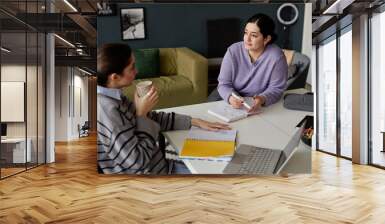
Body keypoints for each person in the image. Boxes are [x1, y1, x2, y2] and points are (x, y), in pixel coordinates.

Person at [97, 43, 230, 175]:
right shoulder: (107, 111)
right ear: (114, 77)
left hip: (160, 167)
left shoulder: (115, 96)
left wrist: (195, 121)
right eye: (132, 67)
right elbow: (137, 162)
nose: (137, 71)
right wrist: (142, 114)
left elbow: (153, 118)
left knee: (214, 166)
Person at [208, 13, 288, 112]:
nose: (247, 39)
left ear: (266, 39)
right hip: (228, 95)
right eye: (246, 33)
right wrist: (230, 98)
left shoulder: (276, 56)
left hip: (255, 102)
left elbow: (276, 88)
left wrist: (262, 98)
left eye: (254, 35)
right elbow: (224, 84)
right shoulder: (233, 51)